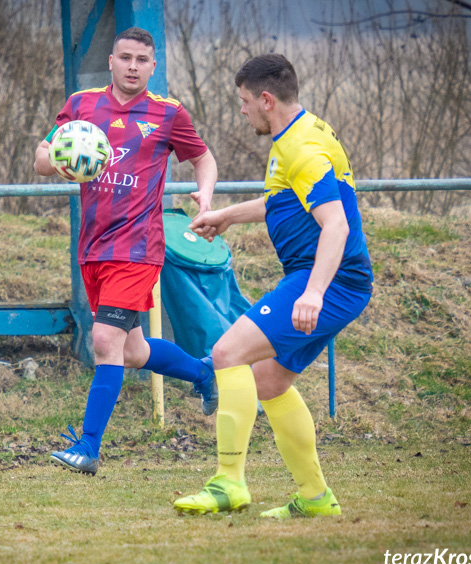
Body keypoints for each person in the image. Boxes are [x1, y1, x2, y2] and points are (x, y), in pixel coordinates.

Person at [174, 54, 372, 518]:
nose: (241, 111)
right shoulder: (301, 134)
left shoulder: (301, 148)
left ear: (266, 100)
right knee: (268, 382)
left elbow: (336, 226)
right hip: (338, 278)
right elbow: (282, 201)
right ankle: (316, 498)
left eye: (244, 102)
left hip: (328, 276)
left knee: (226, 354)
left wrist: (314, 292)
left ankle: (228, 484)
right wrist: (225, 216)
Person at [33, 27, 219, 476]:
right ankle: (203, 373)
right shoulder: (82, 104)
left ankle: (88, 448)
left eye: (142, 59)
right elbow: (43, 154)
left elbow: (204, 157)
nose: (133, 66)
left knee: (105, 341)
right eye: (125, 57)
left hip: (138, 248)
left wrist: (206, 195)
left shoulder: (168, 112)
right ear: (112, 62)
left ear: (153, 67)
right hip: (94, 247)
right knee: (132, 351)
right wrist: (60, 161)